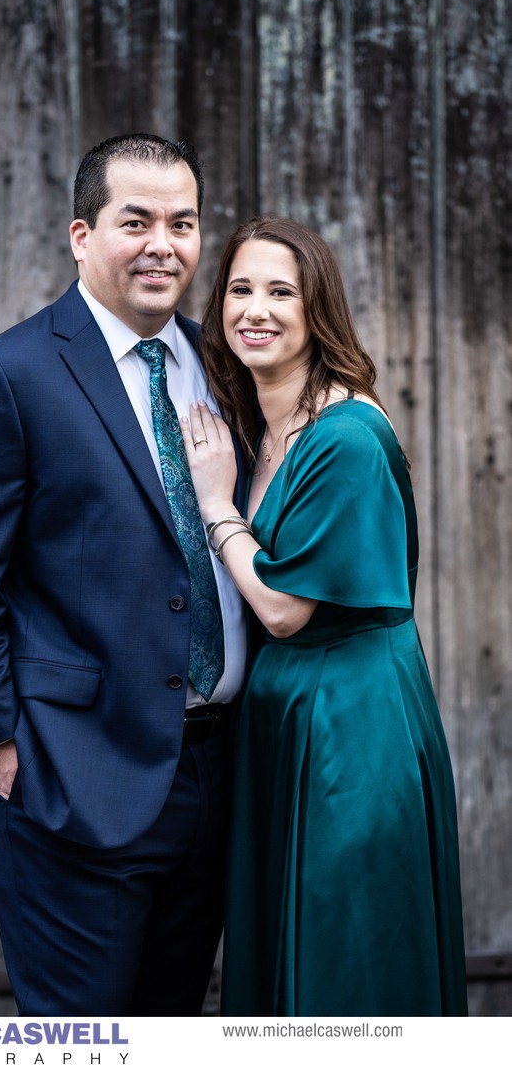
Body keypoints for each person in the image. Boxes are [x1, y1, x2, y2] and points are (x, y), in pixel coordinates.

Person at [0, 133, 248, 1015]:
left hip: (218, 773)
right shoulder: (8, 373)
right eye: (133, 220)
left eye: (182, 223)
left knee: (167, 1027)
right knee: (81, 1038)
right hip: (68, 772)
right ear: (80, 235)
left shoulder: (223, 366)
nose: (162, 245)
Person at [180, 216, 468, 1016]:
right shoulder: (261, 426)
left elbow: (279, 609)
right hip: (284, 723)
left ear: (318, 311)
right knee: (287, 959)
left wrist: (214, 505)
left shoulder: (344, 437)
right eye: (240, 289)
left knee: (347, 957)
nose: (256, 309)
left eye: (282, 291)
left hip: (349, 730)